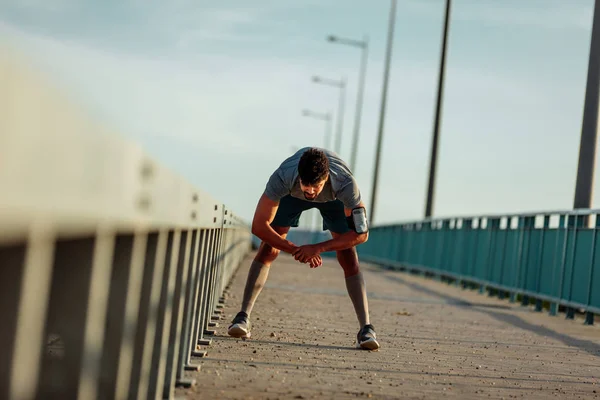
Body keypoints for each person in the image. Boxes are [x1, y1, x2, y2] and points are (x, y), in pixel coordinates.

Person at [227, 147, 379, 350]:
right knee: (269, 247)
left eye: (315, 186)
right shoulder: (283, 176)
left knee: (348, 256)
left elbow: (362, 234)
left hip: (334, 201)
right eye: (305, 185)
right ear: (299, 175)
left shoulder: (345, 184)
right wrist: (293, 248)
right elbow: (259, 226)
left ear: (325, 178)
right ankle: (242, 317)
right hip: (291, 197)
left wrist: (318, 248)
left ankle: (366, 328)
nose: (310, 191)